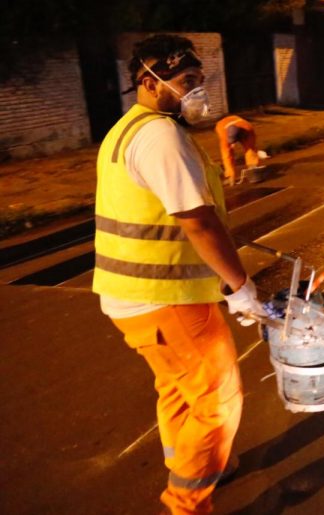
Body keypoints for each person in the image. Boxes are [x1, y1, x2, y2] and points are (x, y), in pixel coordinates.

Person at [92, 34, 266, 515]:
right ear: (150, 82)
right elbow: (198, 222)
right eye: (187, 81)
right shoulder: (160, 137)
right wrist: (241, 287)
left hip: (131, 297)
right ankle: (186, 502)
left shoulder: (128, 128)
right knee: (218, 399)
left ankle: (193, 464)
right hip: (166, 297)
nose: (197, 90)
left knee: (178, 390)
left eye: (199, 79)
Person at [214, 115, 262, 186]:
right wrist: (231, 175)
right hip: (226, 130)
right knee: (227, 154)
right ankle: (230, 176)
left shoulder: (248, 128)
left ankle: (253, 168)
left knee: (250, 149)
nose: (233, 145)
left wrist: (252, 165)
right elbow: (227, 155)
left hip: (245, 130)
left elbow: (251, 149)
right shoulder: (222, 131)